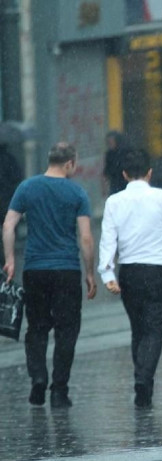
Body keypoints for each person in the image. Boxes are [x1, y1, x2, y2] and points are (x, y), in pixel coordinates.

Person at [98, 149, 162, 408]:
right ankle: (143, 379)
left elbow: (108, 240)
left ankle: (144, 383)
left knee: (138, 329)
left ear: (123, 174)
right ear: (150, 173)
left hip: (129, 272)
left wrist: (107, 273)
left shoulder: (114, 202)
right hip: (155, 272)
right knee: (154, 329)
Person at [2, 142, 97, 408]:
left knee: (37, 328)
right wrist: (90, 272)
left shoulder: (27, 187)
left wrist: (10, 260)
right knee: (67, 330)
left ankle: (38, 378)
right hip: (67, 270)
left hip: (35, 269)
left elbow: (8, 225)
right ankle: (59, 390)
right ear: (70, 163)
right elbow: (86, 238)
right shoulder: (77, 192)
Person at [103, 131, 128, 196]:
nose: (109, 144)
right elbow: (107, 171)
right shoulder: (109, 154)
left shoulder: (126, 153)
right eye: (108, 142)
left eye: (111, 142)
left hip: (124, 183)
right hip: (114, 184)